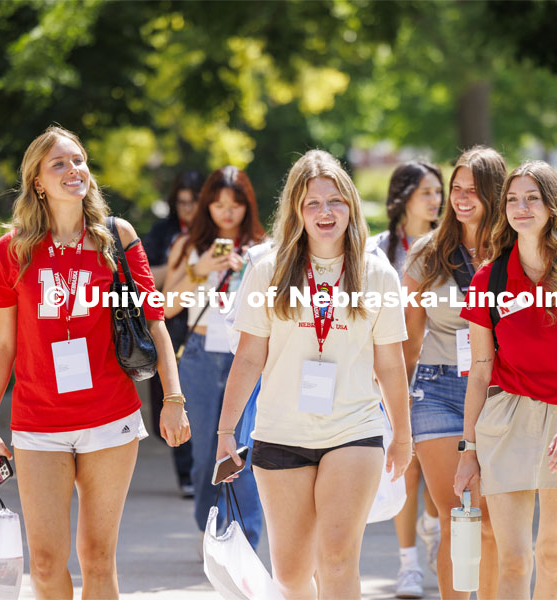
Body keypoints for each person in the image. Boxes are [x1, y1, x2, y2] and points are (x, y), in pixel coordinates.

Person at [0, 126, 190, 600]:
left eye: (79, 161)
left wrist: (173, 398)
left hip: (109, 416)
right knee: (48, 564)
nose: (74, 170)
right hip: (38, 420)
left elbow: (155, 321)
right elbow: (3, 347)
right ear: (38, 182)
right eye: (60, 164)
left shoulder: (116, 237)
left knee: (97, 558)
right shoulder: (12, 251)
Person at [216, 149, 413, 599]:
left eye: (335, 201)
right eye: (313, 204)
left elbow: (389, 362)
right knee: (290, 572)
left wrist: (401, 435)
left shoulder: (377, 273)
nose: (326, 212)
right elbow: (248, 358)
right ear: (297, 211)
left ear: (351, 206)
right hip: (280, 432)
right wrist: (227, 430)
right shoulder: (268, 270)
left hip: (353, 429)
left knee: (338, 555)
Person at [454, 160, 557, 599]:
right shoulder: (489, 280)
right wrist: (468, 450)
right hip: (506, 418)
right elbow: (480, 371)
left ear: (553, 208)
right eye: (512, 199)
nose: (520, 207)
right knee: (513, 558)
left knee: (551, 555)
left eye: (532, 198)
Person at [402, 146, 505, 600]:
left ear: (494, 195)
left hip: (502, 391)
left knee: (489, 521)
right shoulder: (428, 253)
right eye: (456, 189)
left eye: (474, 191)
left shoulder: (516, 252)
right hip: (438, 388)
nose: (462, 199)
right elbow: (406, 343)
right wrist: (394, 410)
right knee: (456, 515)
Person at [162, 166, 266, 549]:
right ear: (207, 205)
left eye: (235, 205)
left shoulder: (262, 248)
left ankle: (244, 540)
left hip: (247, 356)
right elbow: (166, 307)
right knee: (206, 454)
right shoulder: (187, 246)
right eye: (219, 204)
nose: (227, 212)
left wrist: (247, 273)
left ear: (247, 207)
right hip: (202, 357)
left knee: (246, 450)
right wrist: (201, 268)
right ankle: (210, 526)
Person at [369, 160, 443, 599]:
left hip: (437, 371)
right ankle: (408, 565)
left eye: (438, 191)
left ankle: (433, 525)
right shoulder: (379, 249)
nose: (436, 200)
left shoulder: (449, 245)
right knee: (404, 470)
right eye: (426, 192)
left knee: (437, 477)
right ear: (403, 198)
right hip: (391, 371)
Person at [142, 170, 205, 499]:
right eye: (181, 203)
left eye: (193, 202)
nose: (188, 209)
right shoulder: (163, 233)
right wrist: (184, 267)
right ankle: (186, 475)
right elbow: (145, 277)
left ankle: (204, 471)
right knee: (173, 398)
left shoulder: (219, 231)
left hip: (212, 324)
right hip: (171, 325)